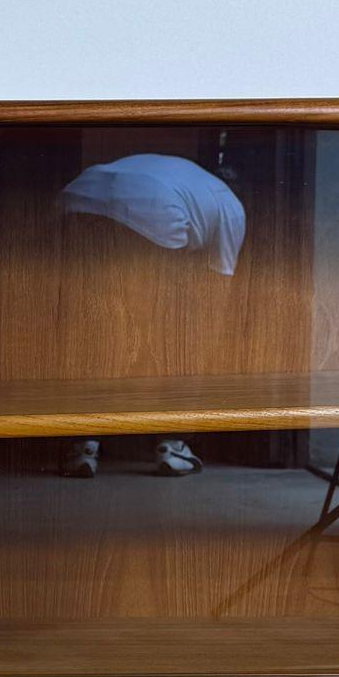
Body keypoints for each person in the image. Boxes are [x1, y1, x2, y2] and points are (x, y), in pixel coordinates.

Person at [57, 154, 245, 478]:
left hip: (80, 195)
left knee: (96, 332)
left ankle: (83, 445)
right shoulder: (232, 207)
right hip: (154, 207)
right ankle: (171, 445)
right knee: (177, 337)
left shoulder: (191, 180)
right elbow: (218, 290)